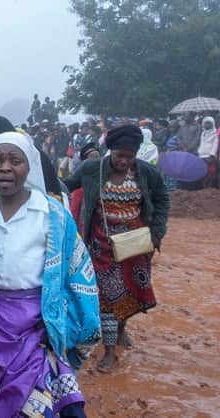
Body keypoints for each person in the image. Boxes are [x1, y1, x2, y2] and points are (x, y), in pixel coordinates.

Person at [0, 132, 100, 417]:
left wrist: (69, 325)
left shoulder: (52, 214)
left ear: (29, 165)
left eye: (14, 160)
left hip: (36, 327)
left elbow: (76, 272)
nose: (5, 167)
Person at [64, 125, 170, 372]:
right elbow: (67, 184)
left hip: (137, 245)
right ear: (109, 151)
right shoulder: (92, 169)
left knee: (131, 292)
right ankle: (110, 352)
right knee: (107, 297)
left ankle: (121, 331)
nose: (123, 161)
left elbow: (163, 198)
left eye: (129, 157)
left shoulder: (146, 172)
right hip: (101, 244)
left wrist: (156, 233)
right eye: (119, 155)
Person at [69, 142, 101, 235]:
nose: (96, 160)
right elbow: (74, 216)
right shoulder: (78, 192)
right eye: (92, 157)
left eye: (97, 156)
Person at [198, 116, 219, 188]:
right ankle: (204, 187)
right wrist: (199, 151)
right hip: (201, 155)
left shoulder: (215, 133)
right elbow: (201, 143)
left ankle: (210, 187)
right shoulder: (203, 133)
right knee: (202, 171)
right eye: (205, 123)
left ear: (212, 124)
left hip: (209, 155)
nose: (207, 125)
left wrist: (212, 155)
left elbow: (215, 144)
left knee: (211, 171)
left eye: (209, 123)